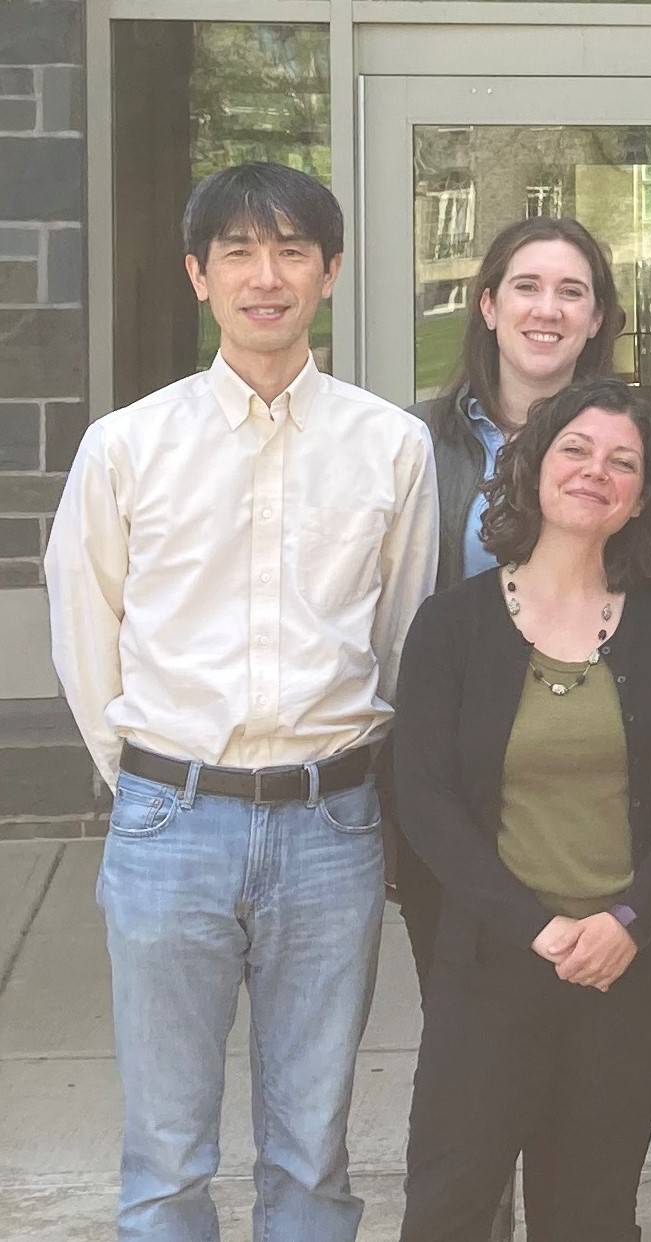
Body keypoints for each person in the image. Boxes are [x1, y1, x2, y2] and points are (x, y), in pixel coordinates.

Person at [44, 161, 439, 1240]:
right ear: (198, 275)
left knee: (312, 1151)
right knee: (166, 1157)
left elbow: (400, 636)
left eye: (292, 252)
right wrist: (148, 785)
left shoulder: (389, 447)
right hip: (172, 820)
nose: (266, 277)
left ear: (331, 272)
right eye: (238, 254)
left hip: (331, 823)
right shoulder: (127, 447)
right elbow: (88, 641)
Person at [390, 379, 651, 1241]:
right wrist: (533, 928)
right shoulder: (451, 623)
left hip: (634, 968)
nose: (594, 472)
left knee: (591, 1211)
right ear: (532, 466)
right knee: (449, 1204)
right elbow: (421, 797)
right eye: (575, 449)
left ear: (642, 496)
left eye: (623, 462)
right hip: (492, 963)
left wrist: (630, 920)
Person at [395, 215, 626, 968]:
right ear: (489, 305)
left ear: (595, 320)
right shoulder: (411, 443)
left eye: (571, 292)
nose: (547, 309)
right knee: (464, 1013)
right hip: (454, 780)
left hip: (585, 777)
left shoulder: (631, 450)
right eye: (526, 287)